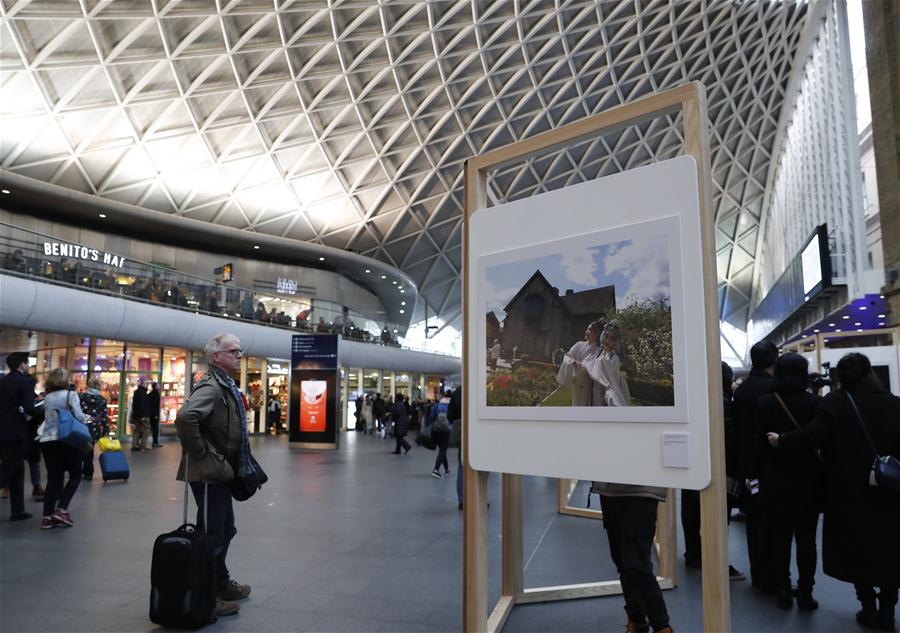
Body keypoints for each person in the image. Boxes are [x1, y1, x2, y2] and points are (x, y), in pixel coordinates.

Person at [768, 353, 900, 631]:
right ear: (869, 373)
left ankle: (868, 607)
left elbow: (811, 436)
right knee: (889, 550)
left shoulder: (835, 403)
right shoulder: (894, 403)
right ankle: (888, 611)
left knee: (856, 548)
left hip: (847, 491)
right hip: (889, 491)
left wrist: (782, 440)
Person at [175, 333, 254, 618]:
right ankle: (205, 592)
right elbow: (186, 418)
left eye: (239, 350)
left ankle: (219, 582)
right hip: (209, 473)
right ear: (216, 356)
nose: (239, 355)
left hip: (221, 472)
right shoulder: (211, 387)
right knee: (212, 535)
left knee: (224, 529)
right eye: (233, 351)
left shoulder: (226, 385)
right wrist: (200, 453)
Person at [753, 353, 823, 610]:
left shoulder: (765, 403)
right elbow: (818, 440)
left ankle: (783, 589)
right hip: (808, 480)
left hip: (774, 479)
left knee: (779, 538)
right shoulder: (815, 403)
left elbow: (758, 445)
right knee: (807, 540)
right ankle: (805, 592)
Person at [681, 362, 745, 580]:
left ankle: (693, 553)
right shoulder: (723, 402)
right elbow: (728, 439)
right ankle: (714, 561)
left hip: (692, 466)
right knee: (715, 517)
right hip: (716, 471)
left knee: (690, 512)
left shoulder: (693, 398)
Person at [594, 480, 672, 633]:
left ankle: (661, 627)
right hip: (608, 488)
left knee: (636, 565)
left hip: (640, 488)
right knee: (623, 563)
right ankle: (637, 623)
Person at [732, 340, 778, 592]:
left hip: (747, 466)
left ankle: (757, 573)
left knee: (753, 521)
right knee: (774, 523)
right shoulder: (773, 388)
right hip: (772, 464)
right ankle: (773, 575)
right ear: (774, 358)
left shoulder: (742, 389)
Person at [37, 369, 86, 529]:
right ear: (65, 380)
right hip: (65, 439)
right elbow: (79, 416)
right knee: (76, 474)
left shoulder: (48, 397)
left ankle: (47, 517)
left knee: (54, 479)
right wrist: (89, 419)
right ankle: (61, 509)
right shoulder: (70, 395)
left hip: (47, 440)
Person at [0, 352, 37, 522]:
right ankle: (17, 509)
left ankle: (18, 509)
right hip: (16, 433)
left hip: (3, 431)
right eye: (27, 363)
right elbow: (29, 408)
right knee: (9, 469)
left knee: (17, 470)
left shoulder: (3, 382)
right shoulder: (26, 382)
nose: (28, 366)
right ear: (22, 365)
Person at [556, 322, 603, 405]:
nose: (587, 331)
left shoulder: (598, 351)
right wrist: (572, 361)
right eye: (587, 329)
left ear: (597, 335)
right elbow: (567, 356)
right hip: (576, 381)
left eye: (590, 330)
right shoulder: (579, 345)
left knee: (584, 403)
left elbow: (595, 367)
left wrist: (583, 366)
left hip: (587, 383)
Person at [587, 321, 630, 406]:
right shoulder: (599, 352)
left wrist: (607, 389)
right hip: (595, 389)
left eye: (611, 339)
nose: (607, 340)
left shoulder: (614, 358)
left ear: (615, 342)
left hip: (604, 392)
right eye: (606, 336)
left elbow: (613, 380)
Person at [79, 376, 111, 481]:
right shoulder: (102, 399)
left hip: (82, 425)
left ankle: (79, 470)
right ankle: (88, 472)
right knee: (90, 448)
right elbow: (104, 416)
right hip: (94, 427)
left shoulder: (82, 397)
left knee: (79, 447)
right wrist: (106, 430)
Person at [431, 391, 452, 478]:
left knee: (442, 450)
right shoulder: (451, 406)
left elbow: (432, 416)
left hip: (437, 429)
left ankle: (447, 469)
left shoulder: (438, 405)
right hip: (446, 430)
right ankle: (436, 469)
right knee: (443, 450)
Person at [448, 386, 463, 509]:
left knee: (462, 465)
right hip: (480, 431)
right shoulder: (480, 388)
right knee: (481, 467)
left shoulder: (458, 391)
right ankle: (480, 496)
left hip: (461, 430)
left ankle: (462, 498)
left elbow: (450, 415)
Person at [130, 379, 152, 451]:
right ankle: (143, 445)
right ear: (143, 384)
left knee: (137, 430)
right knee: (147, 429)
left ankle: (134, 445)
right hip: (143, 415)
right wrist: (142, 415)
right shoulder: (143, 393)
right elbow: (142, 405)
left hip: (136, 415)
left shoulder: (137, 392)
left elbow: (135, 405)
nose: (148, 385)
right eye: (146, 384)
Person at [148, 382, 161, 448]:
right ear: (155, 386)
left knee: (153, 428)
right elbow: (154, 405)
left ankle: (155, 442)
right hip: (154, 415)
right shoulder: (155, 394)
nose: (159, 386)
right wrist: (156, 415)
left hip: (151, 414)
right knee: (155, 429)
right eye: (158, 385)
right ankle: (155, 442)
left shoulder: (150, 394)